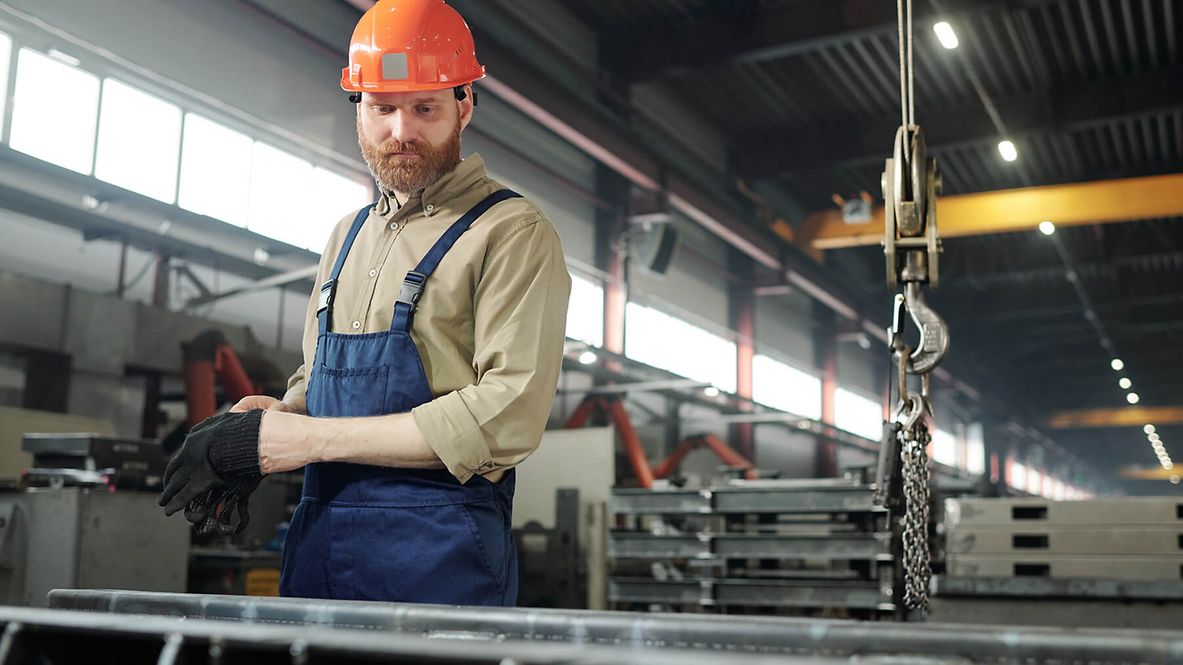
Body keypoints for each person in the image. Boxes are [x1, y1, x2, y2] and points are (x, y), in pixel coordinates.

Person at [160, 0, 571, 607]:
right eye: (382, 109)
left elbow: (505, 415)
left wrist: (307, 442)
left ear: (465, 104)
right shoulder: (345, 236)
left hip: (438, 562)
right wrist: (283, 413)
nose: (401, 132)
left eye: (425, 108)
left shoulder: (510, 230)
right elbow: (317, 373)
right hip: (320, 550)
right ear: (358, 109)